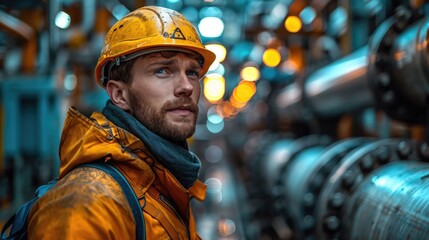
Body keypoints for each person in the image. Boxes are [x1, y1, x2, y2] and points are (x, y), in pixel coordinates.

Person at [27, 5, 216, 240]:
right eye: (162, 71)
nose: (187, 87)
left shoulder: (165, 183)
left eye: (192, 73)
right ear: (119, 95)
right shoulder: (88, 206)